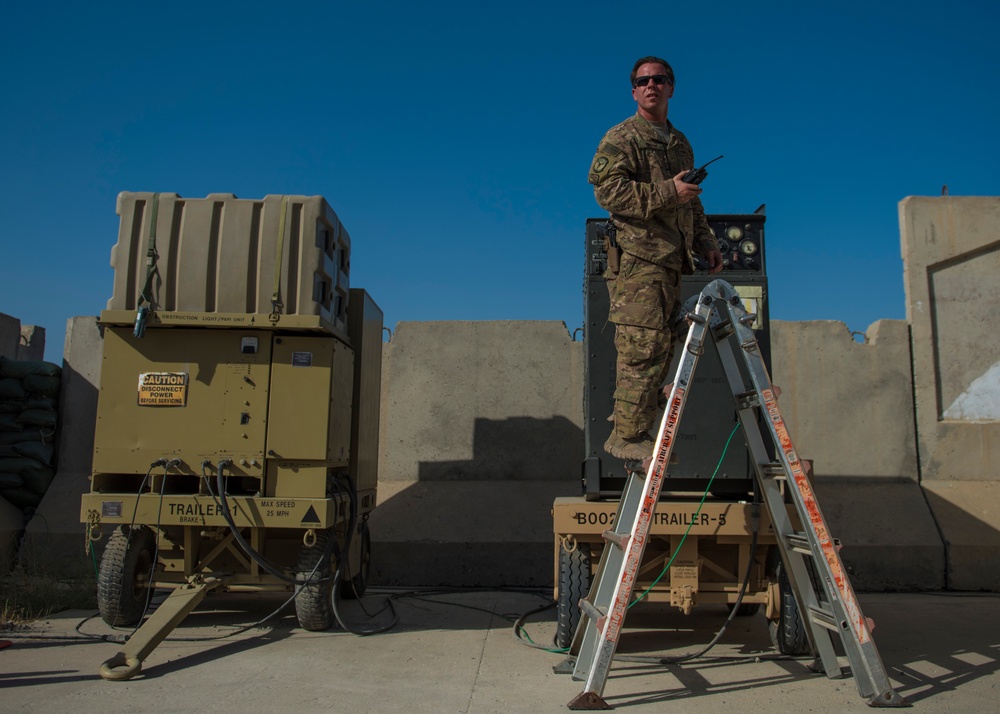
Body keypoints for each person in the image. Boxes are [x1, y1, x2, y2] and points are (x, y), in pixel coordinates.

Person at [588, 56, 723, 466]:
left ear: (671, 88)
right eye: (643, 81)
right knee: (641, 347)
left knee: (662, 346)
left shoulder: (679, 142)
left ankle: (635, 424)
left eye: (659, 79)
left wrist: (705, 241)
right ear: (634, 91)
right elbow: (608, 193)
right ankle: (625, 437)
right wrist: (667, 193)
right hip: (637, 259)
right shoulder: (622, 136)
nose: (652, 86)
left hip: (670, 259)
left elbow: (691, 200)